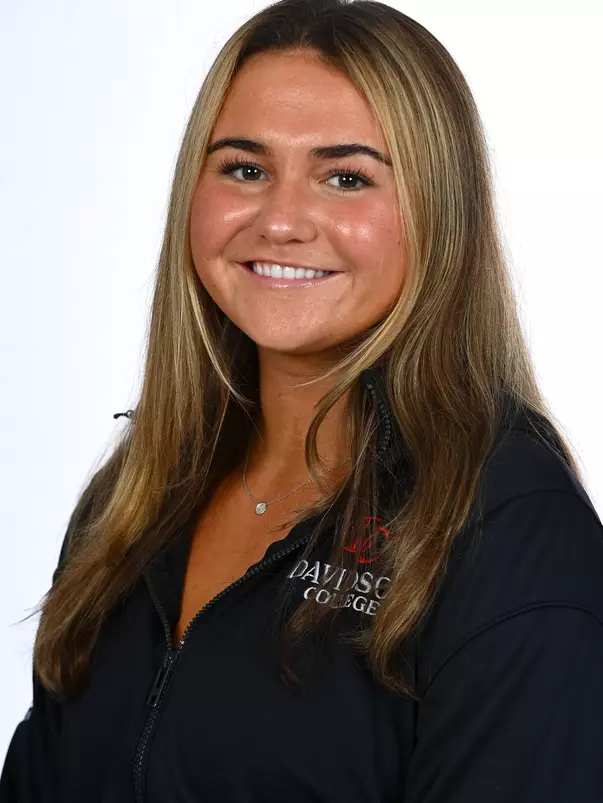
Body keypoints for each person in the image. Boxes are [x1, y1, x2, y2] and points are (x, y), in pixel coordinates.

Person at [2, 0, 603, 800]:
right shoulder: (134, 501)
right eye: (244, 168)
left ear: (438, 214)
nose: (281, 220)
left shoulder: (504, 522)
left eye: (345, 177)